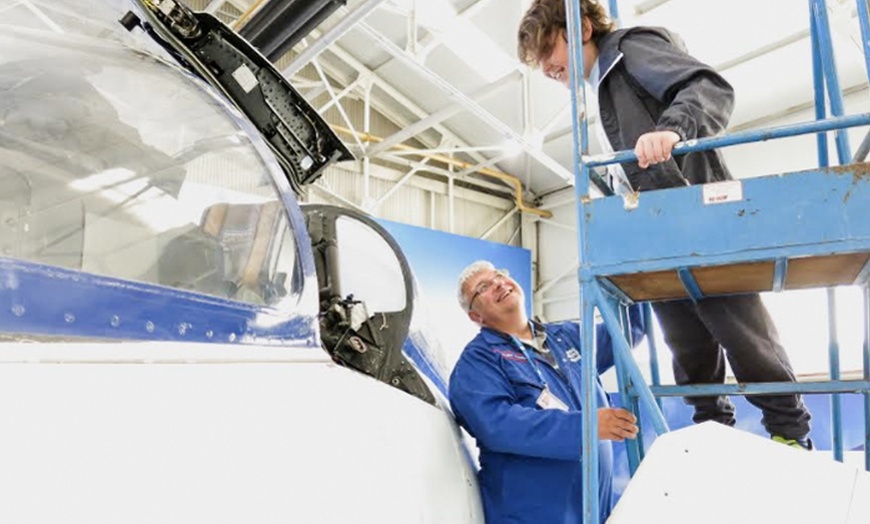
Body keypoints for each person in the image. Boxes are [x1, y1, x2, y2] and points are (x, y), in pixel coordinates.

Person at [517, 0, 812, 449]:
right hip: (652, 231)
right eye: (538, 63)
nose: (546, 68)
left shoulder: (630, 49)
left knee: (739, 329)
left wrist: (673, 129)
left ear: (578, 28)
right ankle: (713, 432)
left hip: (692, 214)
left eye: (547, 50)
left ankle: (789, 433)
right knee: (686, 343)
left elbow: (708, 87)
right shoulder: (595, 91)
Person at [449, 260, 644, 524]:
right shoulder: (477, 363)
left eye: (499, 275)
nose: (498, 283)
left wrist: (641, 278)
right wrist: (585, 426)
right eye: (483, 287)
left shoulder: (566, 337)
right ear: (475, 316)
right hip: (533, 516)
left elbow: (625, 334)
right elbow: (499, 426)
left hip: (593, 511)